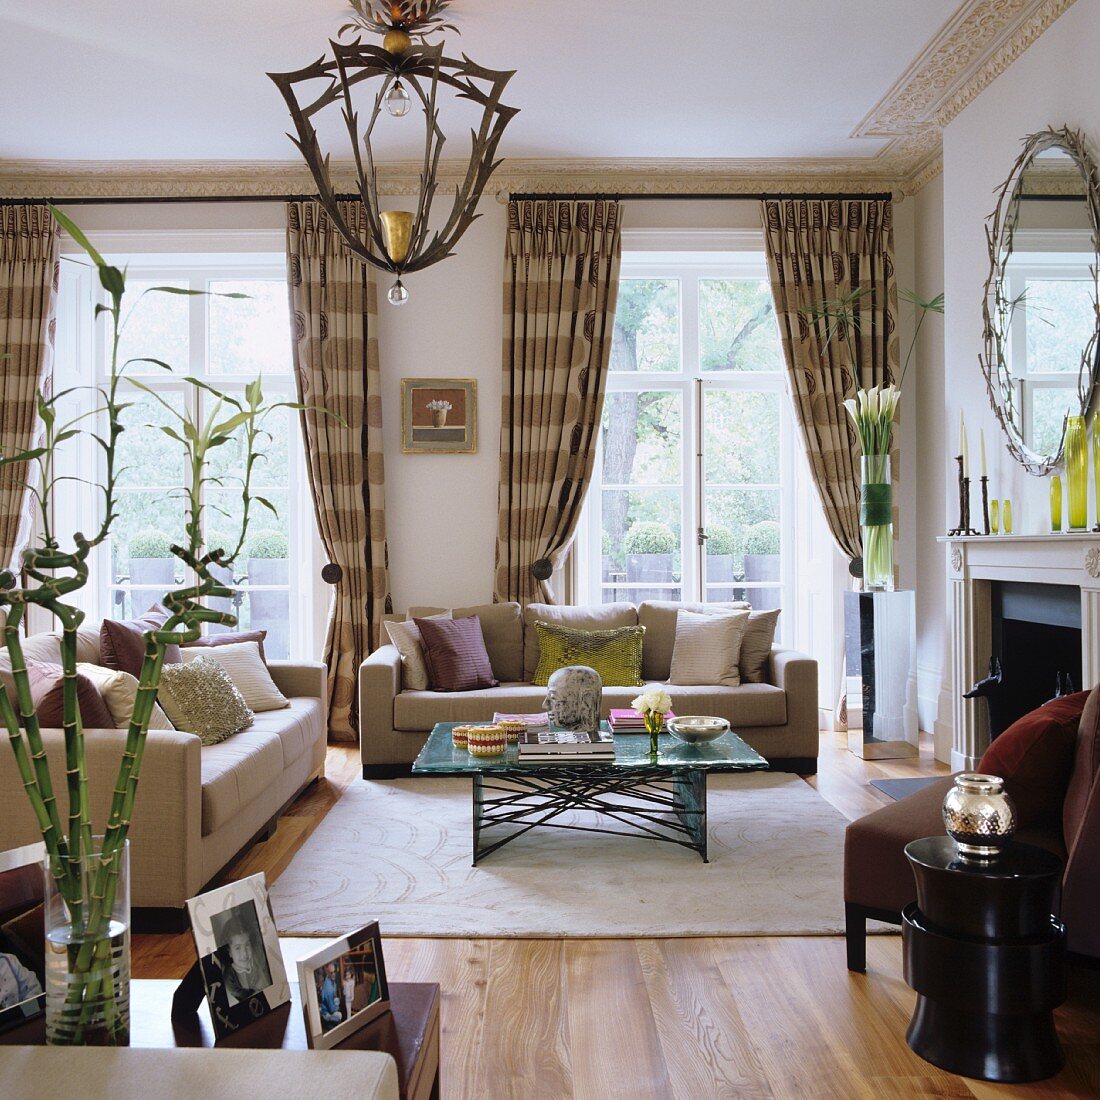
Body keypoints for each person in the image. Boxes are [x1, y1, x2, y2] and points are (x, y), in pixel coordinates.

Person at [215, 910, 271, 1008]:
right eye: (237, 948)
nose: (244, 953)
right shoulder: (229, 978)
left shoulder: (259, 958)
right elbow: (246, 999)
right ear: (229, 952)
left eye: (247, 945)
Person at [319, 962, 342, 1029]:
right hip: (327, 1013)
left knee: (337, 1001)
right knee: (339, 1016)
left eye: (335, 971)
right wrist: (337, 1007)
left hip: (329, 1006)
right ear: (327, 973)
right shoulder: (329, 989)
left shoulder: (330, 980)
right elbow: (332, 1010)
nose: (334, 974)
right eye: (331, 973)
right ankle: (329, 1023)